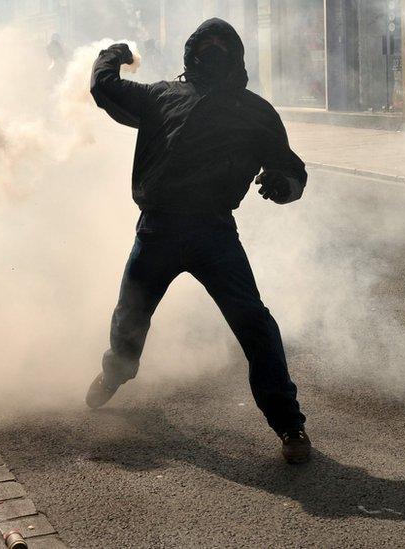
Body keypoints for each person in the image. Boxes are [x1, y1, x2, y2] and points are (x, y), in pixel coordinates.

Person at [87, 19, 311, 464]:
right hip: (158, 230)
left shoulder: (255, 112)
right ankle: (116, 372)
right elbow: (104, 86)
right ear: (190, 54)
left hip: (214, 233)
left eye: (221, 46)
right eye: (203, 45)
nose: (212, 52)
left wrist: (282, 184)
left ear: (236, 58)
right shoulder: (160, 96)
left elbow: (292, 170)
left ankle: (290, 425)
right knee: (130, 314)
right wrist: (115, 51)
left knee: (254, 323)